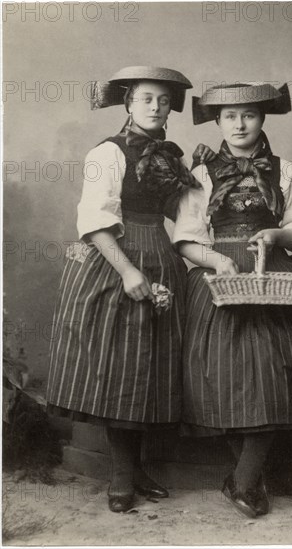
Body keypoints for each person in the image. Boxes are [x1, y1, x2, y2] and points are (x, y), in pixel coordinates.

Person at [173, 82, 292, 518]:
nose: (239, 123)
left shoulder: (284, 170)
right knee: (226, 375)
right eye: (229, 116)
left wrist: (276, 234)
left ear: (263, 119)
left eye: (248, 115)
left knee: (274, 372)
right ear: (217, 121)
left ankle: (245, 479)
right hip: (220, 277)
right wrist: (215, 261)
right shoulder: (202, 173)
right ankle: (246, 477)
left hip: (274, 276)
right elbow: (186, 239)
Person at [46, 66, 202, 513]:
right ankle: (120, 477)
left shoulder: (171, 158)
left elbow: (187, 215)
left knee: (149, 370)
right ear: (129, 102)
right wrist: (129, 272)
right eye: (147, 99)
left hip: (163, 259)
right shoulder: (107, 154)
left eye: (165, 101)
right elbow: (95, 223)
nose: (156, 107)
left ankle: (136, 469)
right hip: (116, 259)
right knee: (119, 368)